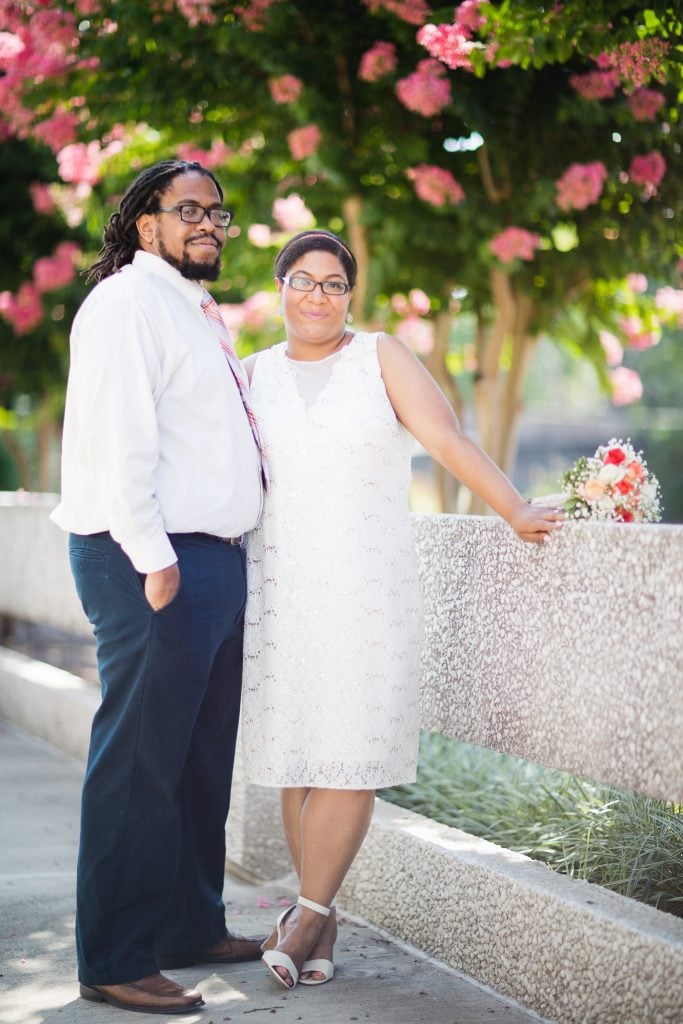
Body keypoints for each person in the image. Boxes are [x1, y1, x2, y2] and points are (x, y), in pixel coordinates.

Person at [239, 229, 564, 990]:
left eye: (333, 284)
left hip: (366, 587)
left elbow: (445, 438)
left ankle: (306, 913)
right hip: (281, 589)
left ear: (349, 294)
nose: (317, 296)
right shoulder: (250, 374)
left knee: (350, 751)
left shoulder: (379, 356)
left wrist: (512, 509)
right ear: (280, 286)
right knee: (299, 759)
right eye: (302, 280)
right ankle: (319, 925)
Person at [51, 160, 268, 1015]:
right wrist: (154, 557)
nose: (209, 222)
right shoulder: (125, 304)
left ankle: (188, 922)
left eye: (218, 210)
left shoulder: (195, 309)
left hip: (210, 556)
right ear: (147, 224)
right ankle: (114, 955)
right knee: (141, 763)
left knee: (198, 761)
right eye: (189, 210)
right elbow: (118, 440)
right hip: (151, 557)